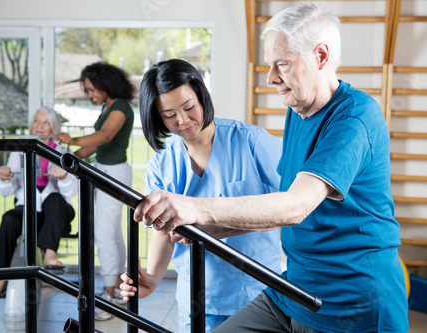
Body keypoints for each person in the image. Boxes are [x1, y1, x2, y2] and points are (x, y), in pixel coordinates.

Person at [127, 5, 409, 333]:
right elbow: (279, 204)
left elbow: (295, 206)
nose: (271, 77)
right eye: (270, 65)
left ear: (320, 56)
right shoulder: (299, 112)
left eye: (282, 64)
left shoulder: (354, 117)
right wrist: (216, 231)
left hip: (350, 299)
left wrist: (195, 208)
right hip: (293, 288)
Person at [119, 59, 282, 332]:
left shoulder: (252, 142)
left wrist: (221, 225)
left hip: (255, 294)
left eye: (188, 107)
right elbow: (162, 231)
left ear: (201, 96)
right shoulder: (161, 164)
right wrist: (154, 277)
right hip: (197, 296)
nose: (182, 120)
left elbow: (291, 206)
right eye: (169, 115)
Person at [56, 62, 134, 315]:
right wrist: (69, 160)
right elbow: (94, 147)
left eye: (92, 89)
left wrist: (73, 140)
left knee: (103, 234)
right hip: (105, 169)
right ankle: (121, 291)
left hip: (115, 173)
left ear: (106, 84)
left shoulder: (120, 106)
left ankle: (109, 295)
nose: (90, 95)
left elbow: (105, 137)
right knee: (112, 233)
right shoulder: (108, 107)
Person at [0, 106, 77, 306]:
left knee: (55, 199)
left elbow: (70, 193)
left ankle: (50, 253)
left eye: (45, 122)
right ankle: (1, 281)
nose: (39, 126)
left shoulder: (62, 150)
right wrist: (4, 177)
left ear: (54, 128)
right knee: (8, 219)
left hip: (56, 213)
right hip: (28, 208)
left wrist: (65, 175)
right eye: (36, 121)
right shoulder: (19, 149)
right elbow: (6, 190)